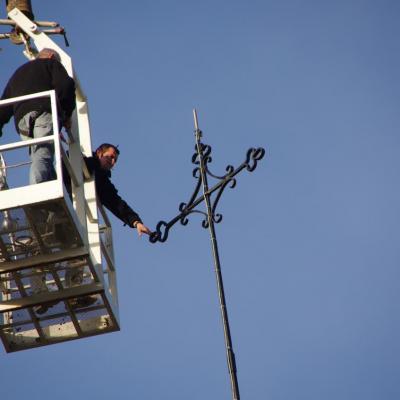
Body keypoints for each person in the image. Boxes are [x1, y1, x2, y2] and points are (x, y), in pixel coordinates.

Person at [0, 47, 76, 184]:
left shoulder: (18, 73)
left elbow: (3, 106)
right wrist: (66, 114)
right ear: (52, 56)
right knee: (43, 154)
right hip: (43, 111)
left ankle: (51, 187)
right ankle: (38, 188)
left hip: (22, 121)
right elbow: (66, 85)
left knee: (39, 155)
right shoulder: (51, 63)